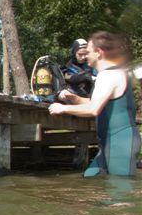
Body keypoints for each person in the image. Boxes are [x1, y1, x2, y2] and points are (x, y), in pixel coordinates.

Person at [49, 31, 141, 177]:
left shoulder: (109, 75)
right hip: (108, 144)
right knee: (90, 178)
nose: (86, 56)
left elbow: (94, 109)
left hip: (120, 143)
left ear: (99, 52)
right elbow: (97, 102)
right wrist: (74, 99)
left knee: (121, 192)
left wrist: (63, 108)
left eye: (89, 52)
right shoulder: (109, 74)